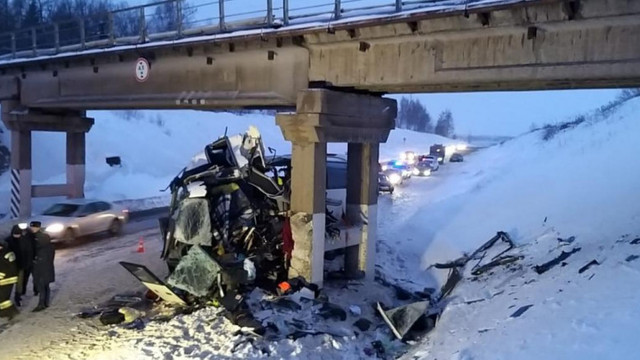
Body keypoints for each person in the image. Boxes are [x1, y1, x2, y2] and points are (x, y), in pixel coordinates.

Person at [6, 224, 35, 307]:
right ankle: (10, 298)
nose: (17, 236)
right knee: (10, 284)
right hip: (11, 267)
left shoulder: (23, 241)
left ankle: (17, 298)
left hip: (20, 266)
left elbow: (27, 253)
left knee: (19, 284)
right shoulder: (8, 241)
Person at [30, 221, 55, 312]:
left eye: (34, 227)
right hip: (44, 265)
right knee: (44, 285)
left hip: (41, 266)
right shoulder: (45, 240)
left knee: (41, 284)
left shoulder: (39, 239)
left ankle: (41, 304)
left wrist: (36, 260)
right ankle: (45, 303)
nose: (33, 229)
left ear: (38, 228)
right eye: (32, 227)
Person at [0, 240, 19, 320]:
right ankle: (4, 312)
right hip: (5, 279)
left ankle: (13, 312)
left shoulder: (4, 254)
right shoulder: (6, 252)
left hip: (7, 279)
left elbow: (5, 268)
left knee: (3, 298)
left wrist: (1, 276)